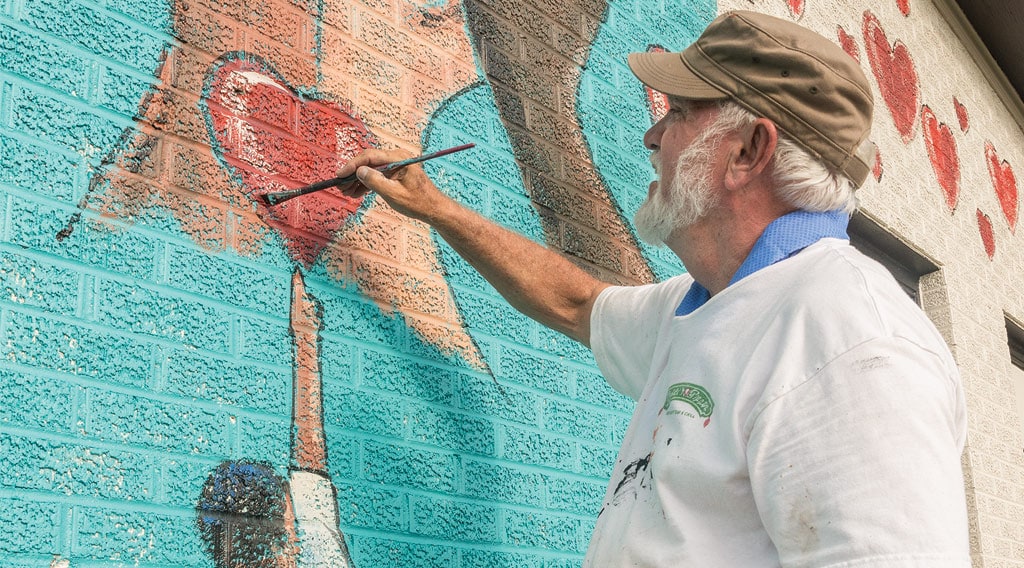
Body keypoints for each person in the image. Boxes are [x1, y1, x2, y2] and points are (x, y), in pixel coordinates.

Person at [336, 10, 971, 567]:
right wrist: (434, 207)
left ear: (748, 150)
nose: (651, 135)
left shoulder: (855, 346)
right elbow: (577, 302)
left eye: (679, 114)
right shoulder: (702, 302)